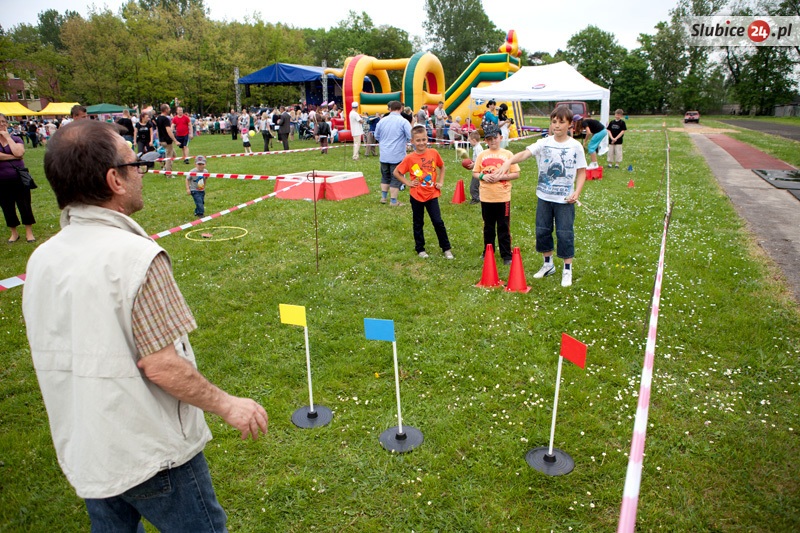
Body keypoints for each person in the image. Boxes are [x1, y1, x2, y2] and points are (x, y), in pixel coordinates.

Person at [23, 119, 268, 531]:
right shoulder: (136, 258)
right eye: (135, 163)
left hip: (88, 445)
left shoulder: (42, 260)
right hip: (153, 454)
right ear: (114, 180)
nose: (142, 172)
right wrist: (229, 405)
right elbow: (161, 365)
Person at [495, 105, 587, 287]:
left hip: (565, 200)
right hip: (544, 197)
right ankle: (548, 264)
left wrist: (577, 192)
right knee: (543, 231)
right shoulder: (544, 142)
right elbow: (525, 153)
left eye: (561, 122)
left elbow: (582, 171)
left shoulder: (575, 146)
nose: (557, 125)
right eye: (554, 122)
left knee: (565, 233)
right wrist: (509, 161)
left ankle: (567, 269)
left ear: (569, 124)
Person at [393, 125, 454, 260]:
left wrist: (441, 181)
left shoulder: (433, 153)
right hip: (416, 195)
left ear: (428, 139)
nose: (421, 143)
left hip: (432, 194)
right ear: (412, 141)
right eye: (418, 140)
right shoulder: (410, 158)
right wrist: (408, 183)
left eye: (424, 139)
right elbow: (396, 172)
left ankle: (446, 248)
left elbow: (442, 166)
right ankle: (420, 249)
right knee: (418, 223)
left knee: (438, 222)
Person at [471, 124, 520, 265]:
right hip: (486, 197)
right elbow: (475, 172)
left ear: (501, 137)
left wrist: (501, 177)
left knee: (503, 226)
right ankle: (488, 251)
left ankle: (506, 255)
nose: (493, 141)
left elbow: (516, 174)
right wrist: (482, 177)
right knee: (488, 226)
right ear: (485, 141)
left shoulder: (508, 155)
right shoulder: (482, 155)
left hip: (503, 197)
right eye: (489, 139)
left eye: (495, 138)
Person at [0, 113, 35, 243]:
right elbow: (17, 155)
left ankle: (28, 231)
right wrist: (14, 157)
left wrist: (8, 138)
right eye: (0, 122)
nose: (2, 124)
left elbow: (19, 152)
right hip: (1, 180)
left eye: (4, 122)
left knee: (24, 204)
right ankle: (14, 233)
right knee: (7, 206)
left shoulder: (16, 138)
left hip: (19, 177)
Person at [374, 100, 412, 206]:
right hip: (397, 154)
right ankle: (394, 201)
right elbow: (410, 136)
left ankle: (383, 197)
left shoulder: (382, 121)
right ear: (401, 109)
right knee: (396, 177)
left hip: (384, 154)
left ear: (390, 109)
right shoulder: (403, 121)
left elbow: (376, 136)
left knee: (385, 176)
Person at [155, 104, 178, 172]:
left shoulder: (158, 118)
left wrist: (159, 139)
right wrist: (175, 140)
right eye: (168, 108)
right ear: (165, 110)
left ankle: (165, 168)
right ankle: (168, 173)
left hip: (162, 140)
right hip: (167, 140)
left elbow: (157, 130)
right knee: (169, 157)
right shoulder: (165, 119)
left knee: (174, 155)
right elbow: (169, 130)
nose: (170, 109)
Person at [466, 130, 484, 204]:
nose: (469, 142)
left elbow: (480, 159)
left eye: (470, 140)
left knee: (473, 186)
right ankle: (480, 196)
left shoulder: (478, 148)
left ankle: (476, 198)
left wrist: (473, 164)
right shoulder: (476, 147)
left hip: (478, 170)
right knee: (478, 184)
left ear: (474, 140)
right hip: (478, 169)